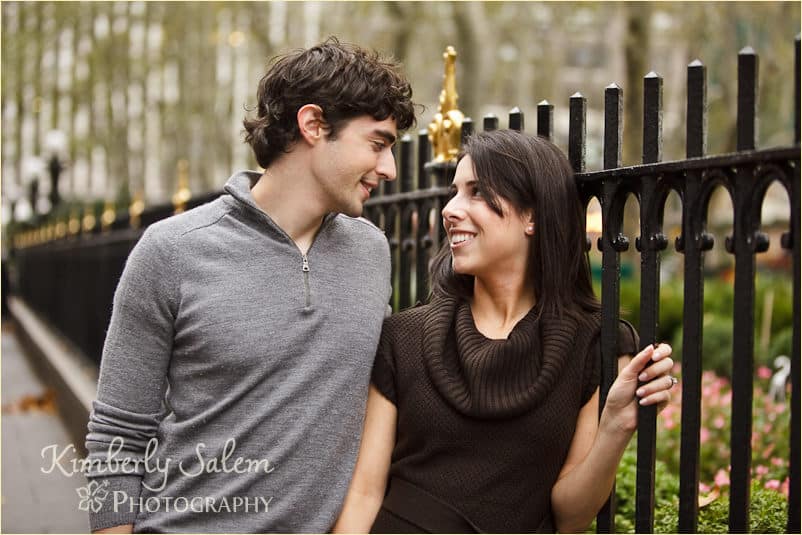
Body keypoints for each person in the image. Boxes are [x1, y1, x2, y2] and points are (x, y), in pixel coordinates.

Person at [84, 38, 415, 533]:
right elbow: (117, 435)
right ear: (313, 124)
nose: (389, 169)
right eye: (377, 144)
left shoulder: (370, 252)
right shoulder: (171, 250)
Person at [333, 129, 676, 533]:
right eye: (455, 191)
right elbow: (364, 494)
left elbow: (571, 516)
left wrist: (616, 426)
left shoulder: (596, 346)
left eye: (476, 191)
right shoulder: (402, 337)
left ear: (532, 215)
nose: (450, 209)